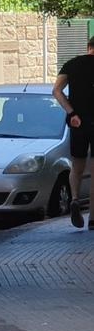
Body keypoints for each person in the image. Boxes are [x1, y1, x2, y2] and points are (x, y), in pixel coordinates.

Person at [52, 35, 94, 228]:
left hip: (78, 122)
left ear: (89, 47)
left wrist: (72, 112)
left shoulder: (72, 64)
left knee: (77, 165)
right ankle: (93, 218)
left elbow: (57, 91)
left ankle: (75, 198)